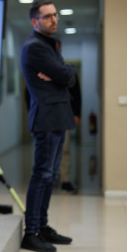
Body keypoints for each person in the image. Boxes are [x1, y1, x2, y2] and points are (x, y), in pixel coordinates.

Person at [20, 0, 76, 252]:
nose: (54, 19)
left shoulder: (48, 45)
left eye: (56, 14)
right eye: (48, 16)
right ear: (35, 21)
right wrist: (61, 75)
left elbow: (68, 76)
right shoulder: (35, 47)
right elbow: (66, 77)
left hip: (57, 116)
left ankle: (42, 227)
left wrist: (62, 74)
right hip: (46, 117)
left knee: (51, 176)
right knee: (42, 174)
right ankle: (31, 232)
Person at [55, 40, 82, 193]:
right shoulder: (41, 69)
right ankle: (50, 179)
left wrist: (76, 113)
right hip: (47, 117)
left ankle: (65, 180)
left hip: (65, 115)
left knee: (64, 149)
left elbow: (77, 94)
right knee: (47, 149)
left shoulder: (68, 70)